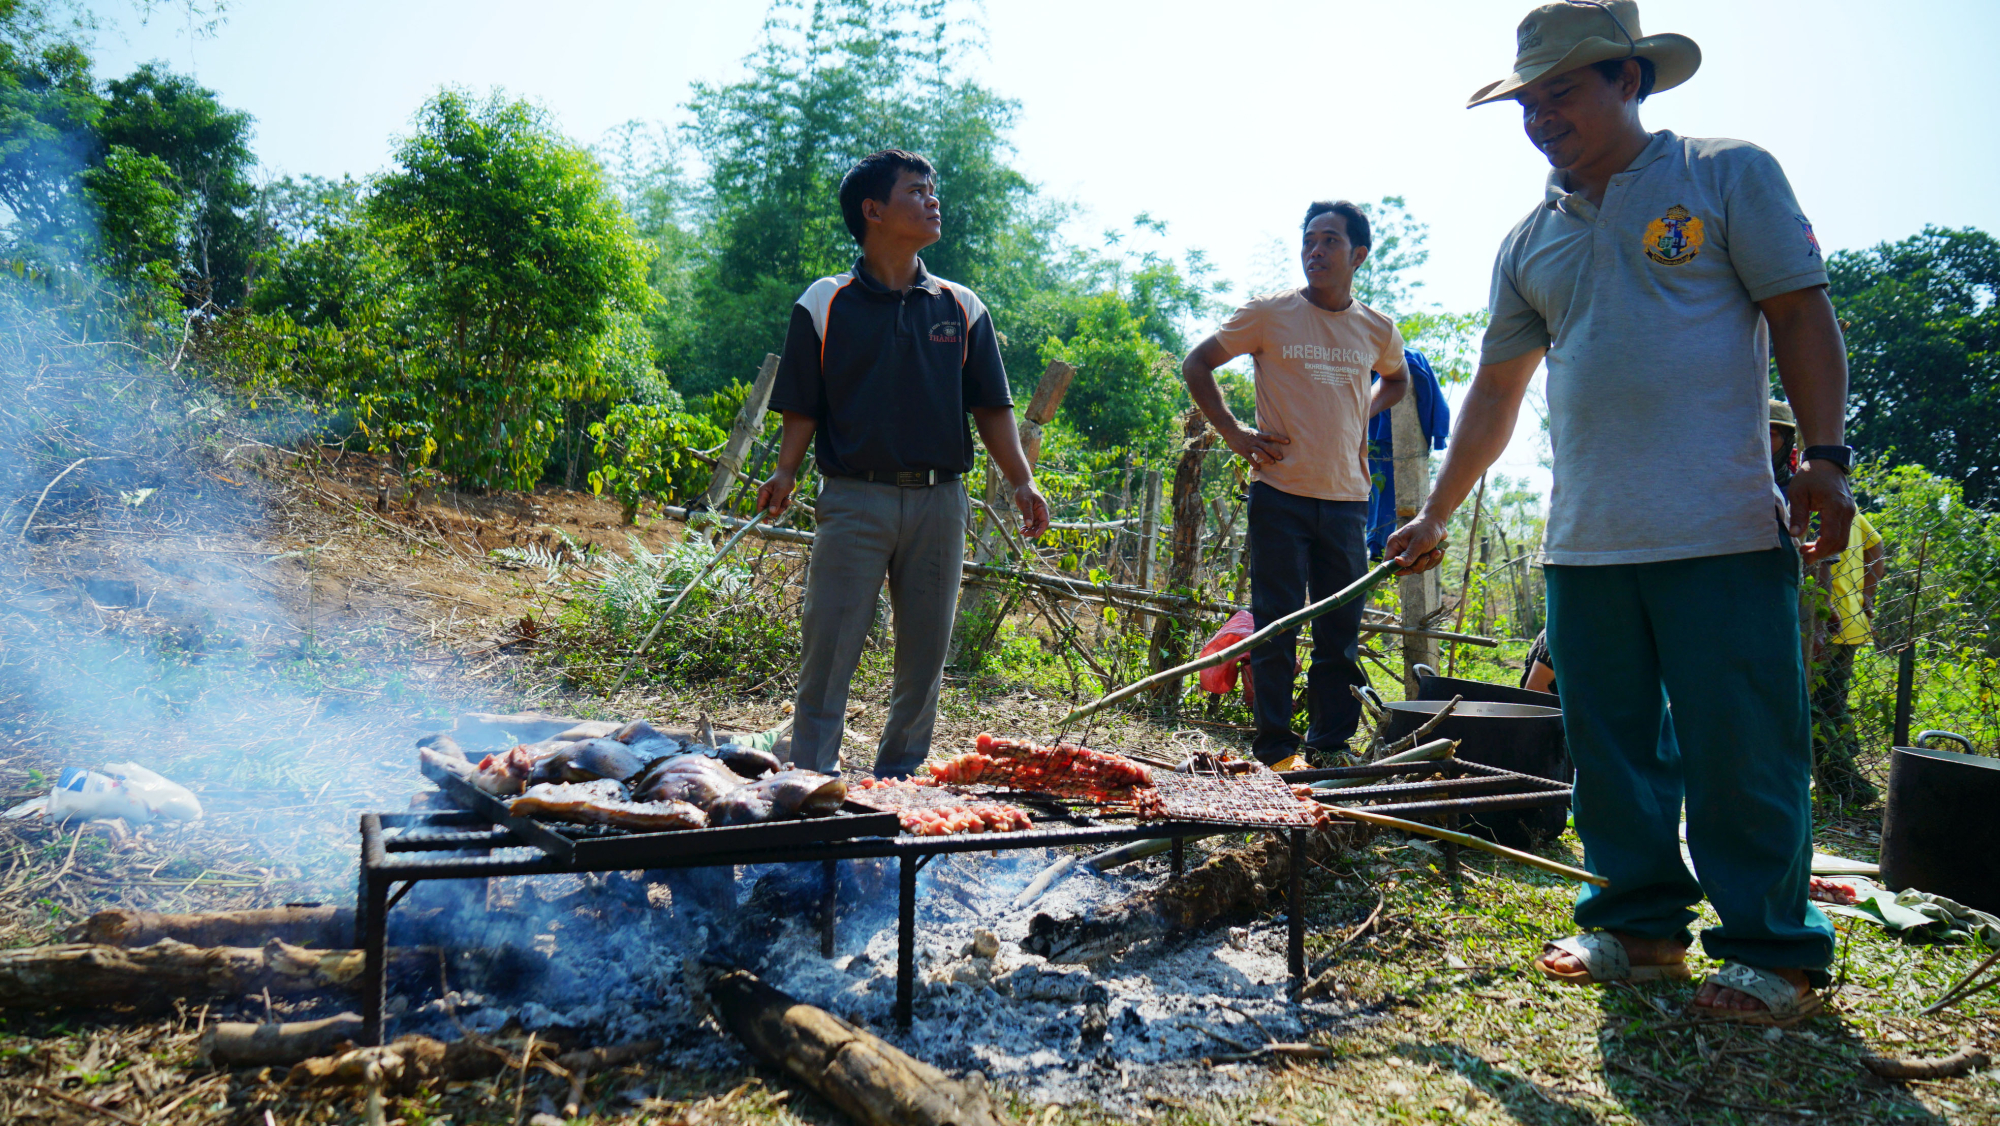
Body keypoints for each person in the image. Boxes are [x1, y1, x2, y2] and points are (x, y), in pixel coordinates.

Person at [1384, 1, 1855, 1023]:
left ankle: (1770, 951)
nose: (1541, 115)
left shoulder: (1724, 174)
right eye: (1528, 98)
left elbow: (1799, 312)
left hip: (1720, 528)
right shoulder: (1528, 242)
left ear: (1627, 81)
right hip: (1585, 541)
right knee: (1608, 752)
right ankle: (1636, 928)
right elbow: (1496, 394)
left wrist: (1824, 457)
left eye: (1563, 90)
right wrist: (1435, 514)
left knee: (1741, 745)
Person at [757, 149, 1050, 778]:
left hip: (941, 501)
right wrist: (785, 469)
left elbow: (991, 407)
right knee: (829, 649)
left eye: (932, 191)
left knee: (924, 658)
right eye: (917, 191)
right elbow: (803, 404)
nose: (932, 201)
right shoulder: (824, 302)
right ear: (873, 210)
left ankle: (898, 787)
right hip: (853, 498)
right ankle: (808, 785)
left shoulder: (960, 307)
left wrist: (1022, 479)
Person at [1182, 200, 1410, 765]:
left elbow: (1400, 381)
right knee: (1275, 625)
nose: (1316, 250)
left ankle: (1328, 746)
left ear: (1358, 255)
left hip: (1347, 500)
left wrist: (1363, 412)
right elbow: (1197, 363)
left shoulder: (1376, 329)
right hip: (1279, 493)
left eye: (1330, 241)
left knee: (1340, 631)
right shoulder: (1269, 314)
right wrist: (1235, 432)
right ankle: (1275, 748)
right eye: (1310, 239)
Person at [1770, 400, 1885, 806]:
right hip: (1749, 608)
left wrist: (1824, 615)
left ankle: (1839, 785)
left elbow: (1824, 561)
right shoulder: (1739, 480)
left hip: (1811, 616)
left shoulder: (1806, 489)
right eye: (1759, 432)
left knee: (1820, 703)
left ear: (1788, 443)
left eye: (1774, 433)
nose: (1764, 441)